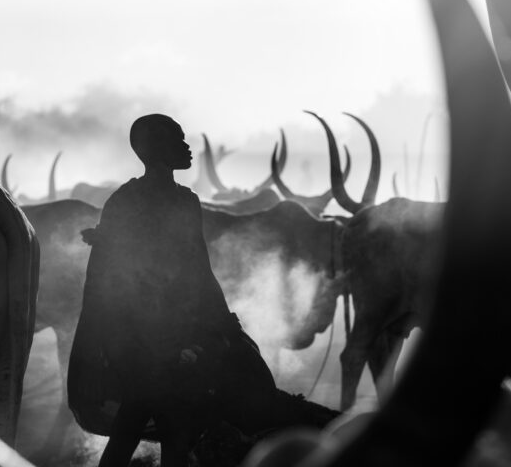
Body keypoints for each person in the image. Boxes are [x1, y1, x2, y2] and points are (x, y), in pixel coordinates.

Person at [67, 114, 337, 467]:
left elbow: (198, 269)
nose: (187, 147)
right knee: (157, 429)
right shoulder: (126, 201)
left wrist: (224, 323)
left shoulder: (184, 200)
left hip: (176, 337)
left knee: (150, 427)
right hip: (145, 340)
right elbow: (111, 277)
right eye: (178, 140)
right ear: (155, 149)